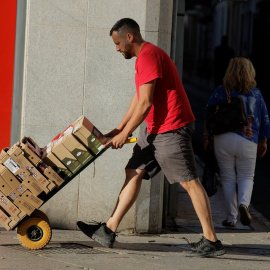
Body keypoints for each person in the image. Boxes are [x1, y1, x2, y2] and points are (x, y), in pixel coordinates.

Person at [77, 18, 225, 257]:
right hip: (153, 129)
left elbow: (146, 102)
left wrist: (126, 134)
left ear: (129, 37)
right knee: (134, 170)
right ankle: (109, 230)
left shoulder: (149, 56)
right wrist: (119, 128)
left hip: (171, 128)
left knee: (189, 182)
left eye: (117, 44)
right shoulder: (143, 59)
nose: (116, 49)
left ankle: (211, 240)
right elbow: (139, 98)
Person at [204, 57, 270, 228]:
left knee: (227, 178)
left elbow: (208, 114)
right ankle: (244, 204)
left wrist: (206, 137)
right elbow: (265, 120)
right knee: (247, 176)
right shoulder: (256, 93)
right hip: (248, 139)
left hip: (223, 139)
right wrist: (263, 140)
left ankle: (231, 218)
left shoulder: (220, 91)